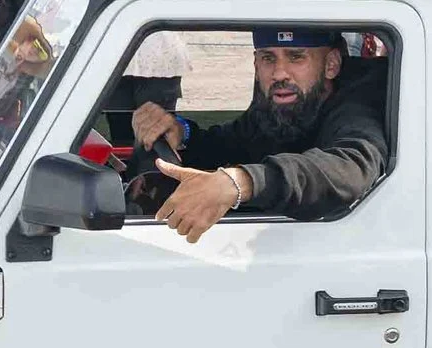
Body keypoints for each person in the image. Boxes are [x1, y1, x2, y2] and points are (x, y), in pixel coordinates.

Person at [128, 26, 388, 240]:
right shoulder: (278, 108)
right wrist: (182, 133)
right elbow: (234, 142)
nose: (279, 74)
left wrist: (242, 182)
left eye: (296, 56)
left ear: (331, 64)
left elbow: (349, 167)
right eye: (268, 58)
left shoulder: (357, 106)